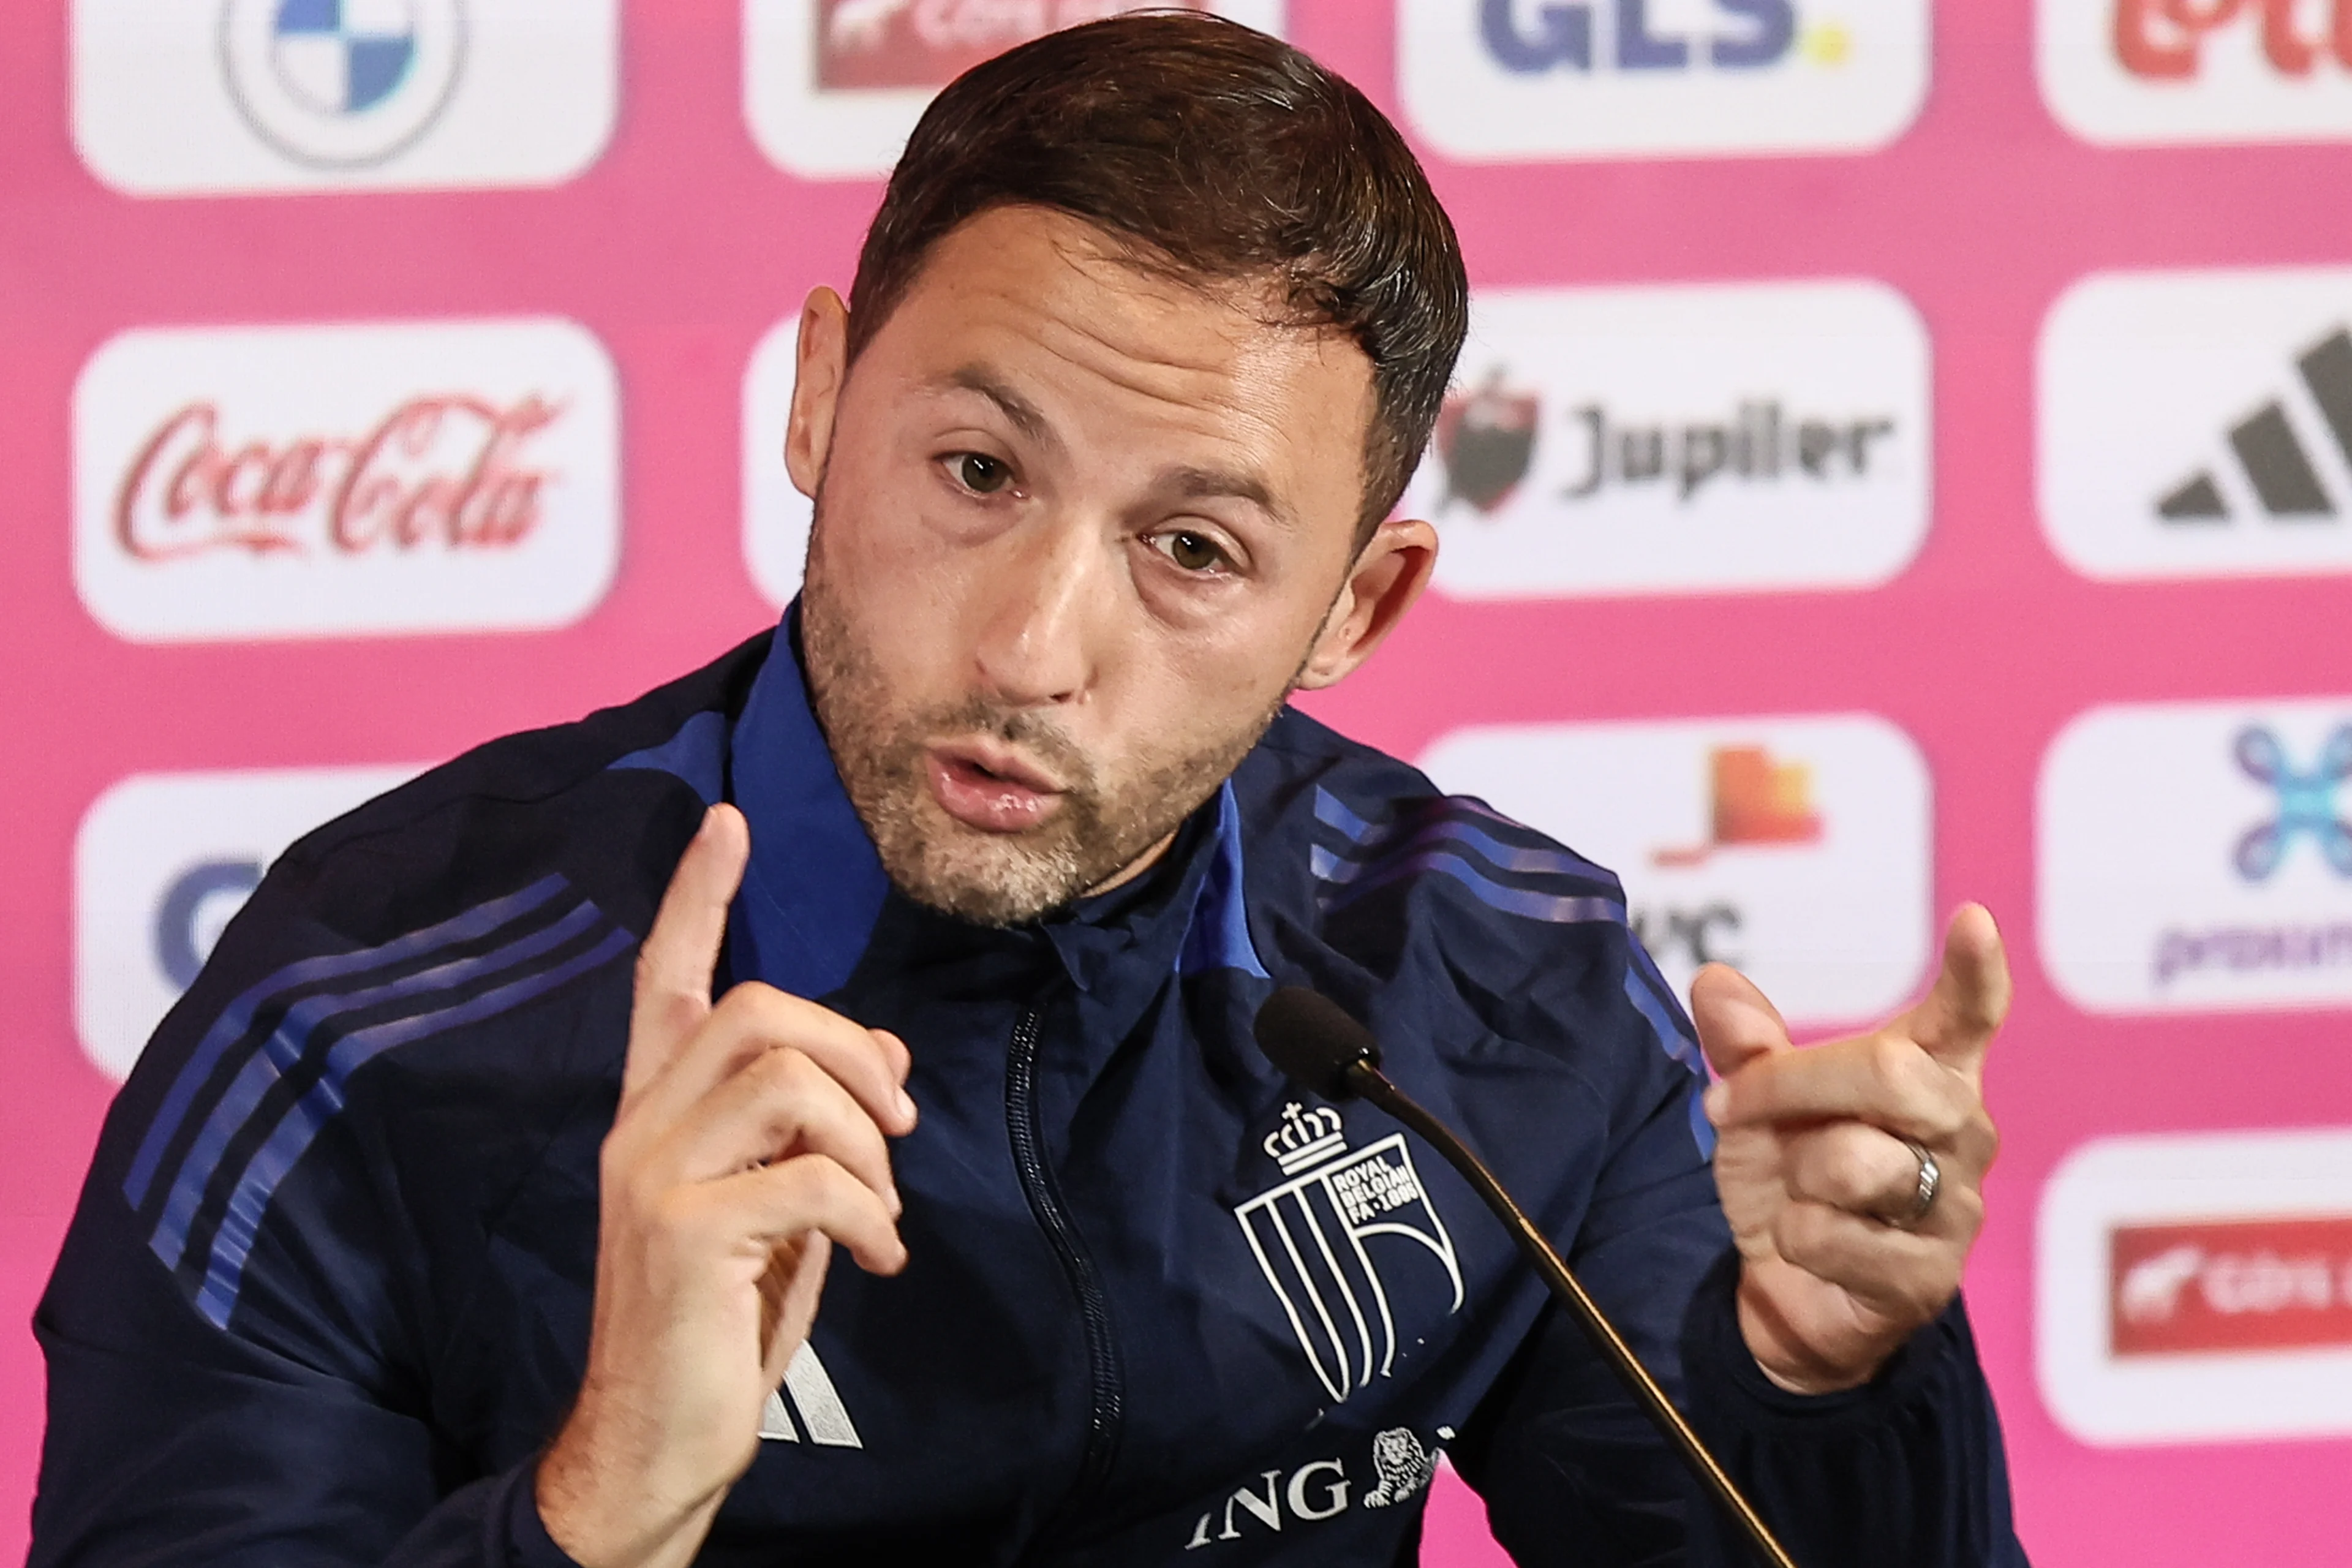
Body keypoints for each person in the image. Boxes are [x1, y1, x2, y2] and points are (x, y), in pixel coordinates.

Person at [30, 15, 2024, 1567]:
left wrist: (1830, 1385)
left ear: (1357, 602)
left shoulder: (1489, 988)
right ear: (822, 400)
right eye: (977, 473)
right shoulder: (362, 1008)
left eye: (1197, 552)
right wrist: (598, 1507)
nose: (1031, 648)